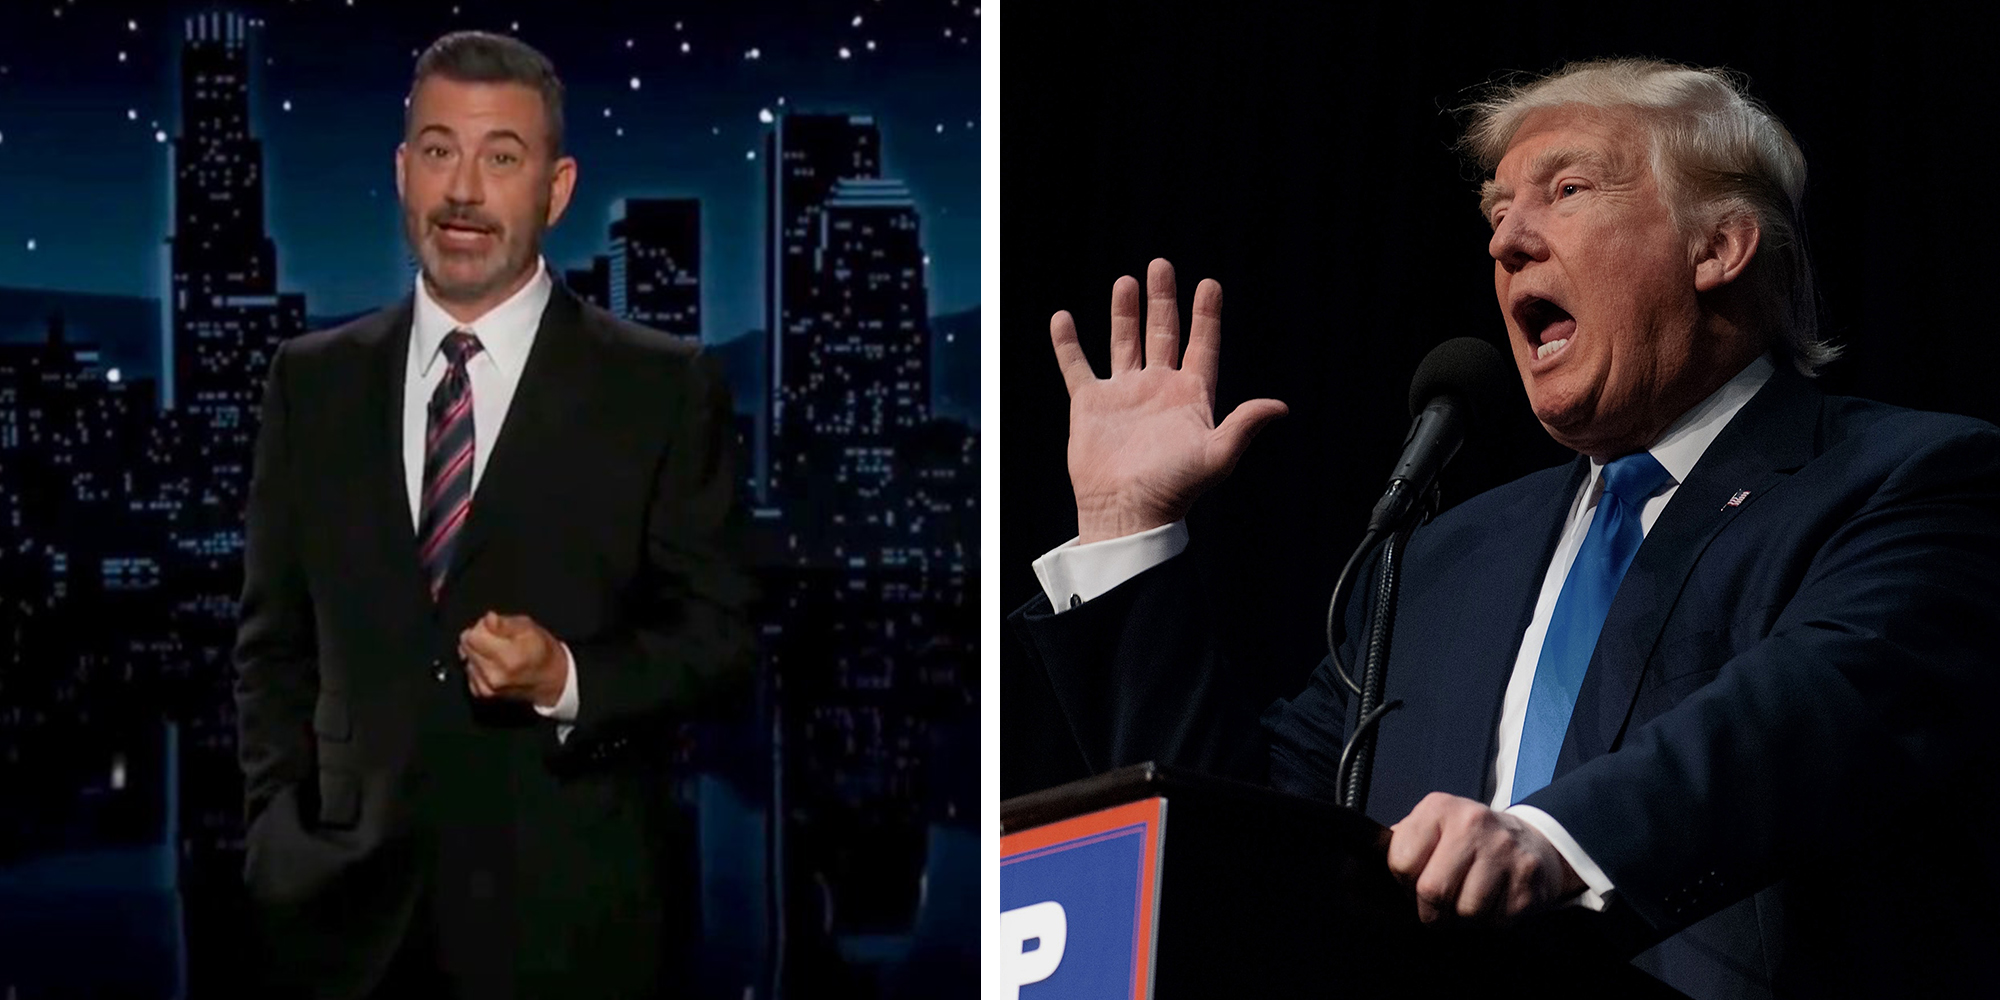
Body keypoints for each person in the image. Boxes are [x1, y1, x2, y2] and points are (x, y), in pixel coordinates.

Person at [1009, 58, 2000, 997]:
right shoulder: (1439, 562)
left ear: (1716, 246)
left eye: (1564, 191)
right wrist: (1124, 529)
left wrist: (1550, 839)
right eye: (1494, 211)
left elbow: (1806, 714)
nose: (1504, 240)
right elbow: (1241, 837)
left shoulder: (1907, 478)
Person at [233, 31, 752, 999]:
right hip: (341, 930)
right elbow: (272, 644)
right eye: (438, 150)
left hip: (574, 930)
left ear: (555, 190)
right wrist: (279, 834)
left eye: (499, 157)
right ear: (402, 171)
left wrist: (566, 676)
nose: (462, 190)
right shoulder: (311, 384)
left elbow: (720, 642)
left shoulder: (659, 387)